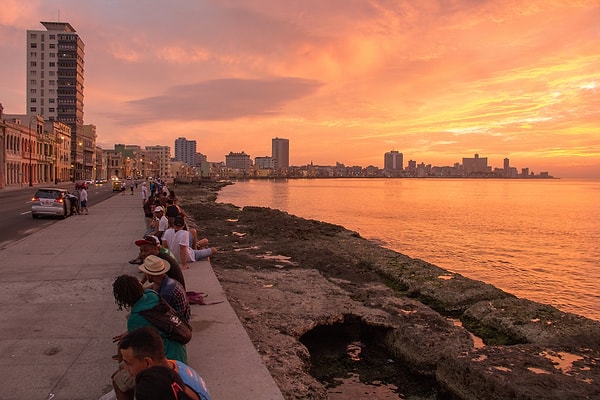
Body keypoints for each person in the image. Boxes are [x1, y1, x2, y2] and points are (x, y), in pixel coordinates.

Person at [111, 327, 211, 400]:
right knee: (120, 379)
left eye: (129, 363)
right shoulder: (173, 366)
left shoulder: (162, 389)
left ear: (147, 362)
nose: (125, 368)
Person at [112, 275, 187, 363]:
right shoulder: (152, 295)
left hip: (167, 359)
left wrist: (122, 349)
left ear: (122, 300)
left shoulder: (134, 319)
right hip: (179, 351)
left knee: (124, 372)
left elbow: (138, 351)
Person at [138, 255, 190, 324]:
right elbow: (149, 288)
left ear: (150, 275)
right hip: (180, 315)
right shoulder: (165, 281)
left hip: (178, 323)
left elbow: (162, 314)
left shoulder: (166, 292)